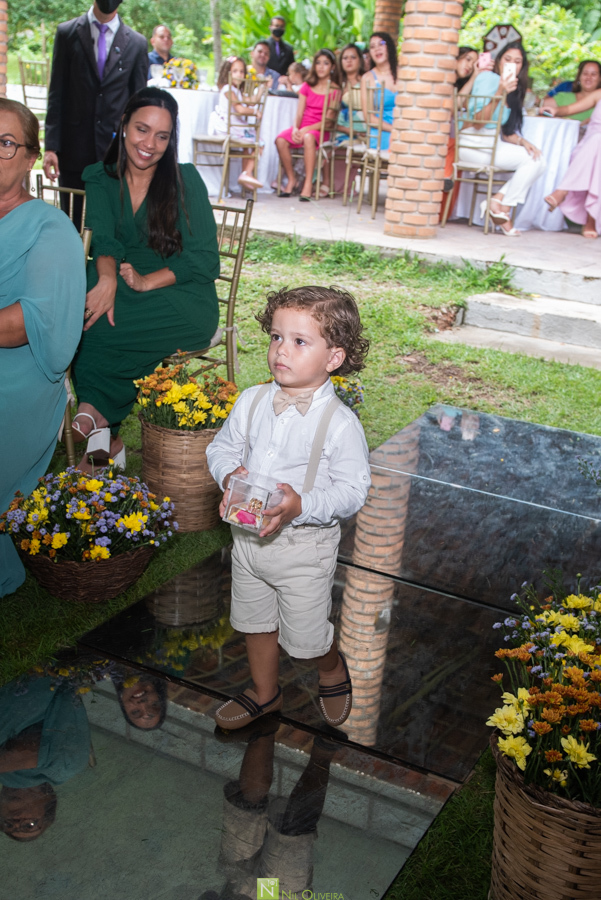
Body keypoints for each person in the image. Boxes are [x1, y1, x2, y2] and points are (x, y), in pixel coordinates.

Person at [206, 286, 371, 731]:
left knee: (304, 638)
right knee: (253, 621)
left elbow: (353, 491)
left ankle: (330, 665)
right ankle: (265, 694)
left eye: (300, 342)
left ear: (333, 358)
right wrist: (228, 474)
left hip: (303, 550)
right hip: (247, 540)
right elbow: (221, 447)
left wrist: (302, 504)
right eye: (276, 337)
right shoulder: (252, 401)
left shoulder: (339, 424)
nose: (282, 350)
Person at [69, 88, 220, 472]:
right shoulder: (102, 178)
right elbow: (103, 237)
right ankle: (104, 442)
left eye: (162, 136)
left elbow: (205, 260)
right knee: (89, 304)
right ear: (123, 124)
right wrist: (107, 280)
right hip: (125, 286)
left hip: (182, 300)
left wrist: (146, 282)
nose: (149, 144)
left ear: (172, 141)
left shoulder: (185, 181)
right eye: (142, 129)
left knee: (95, 325)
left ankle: (95, 415)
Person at [0, 98, 86, 598]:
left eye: (6, 143)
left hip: (22, 374)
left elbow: (29, 322)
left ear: (31, 157)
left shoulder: (48, 228)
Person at [43, 0, 148, 230]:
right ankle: (71, 264)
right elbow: (56, 93)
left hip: (114, 150)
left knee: (109, 221)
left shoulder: (137, 44)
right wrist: (50, 147)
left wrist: (138, 150)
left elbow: (139, 104)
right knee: (70, 220)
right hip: (73, 147)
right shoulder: (67, 33)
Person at [459, 40, 546, 236]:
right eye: (507, 59)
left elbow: (506, 131)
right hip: (472, 144)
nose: (512, 65)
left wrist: (523, 142)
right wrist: (500, 91)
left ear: (522, 66)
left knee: (537, 159)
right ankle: (499, 208)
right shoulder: (487, 79)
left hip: (492, 144)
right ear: (499, 62)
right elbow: (478, 122)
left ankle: (498, 203)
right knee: (532, 161)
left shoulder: (516, 90)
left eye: (517, 61)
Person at [0, 674, 91, 840]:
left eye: (8, 825)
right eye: (30, 825)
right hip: (42, 664)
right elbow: (24, 749)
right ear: (48, 800)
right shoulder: (66, 767)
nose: (16, 821)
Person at [275, 49, 340, 200]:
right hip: (303, 126)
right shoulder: (306, 86)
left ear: (332, 67)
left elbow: (328, 120)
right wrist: (296, 129)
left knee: (309, 137)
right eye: (318, 63)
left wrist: (306, 130)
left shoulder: (335, 90)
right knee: (280, 140)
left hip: (321, 129)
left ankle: (308, 184)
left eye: (326, 63)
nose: (321, 67)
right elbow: (299, 113)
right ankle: (292, 179)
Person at [542, 86, 601, 238]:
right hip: (587, 149)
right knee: (597, 143)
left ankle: (562, 191)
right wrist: (556, 111)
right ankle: (590, 221)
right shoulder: (598, 94)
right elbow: (569, 109)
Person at [208, 57, 265, 191]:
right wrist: (254, 111)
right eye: (235, 71)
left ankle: (246, 173)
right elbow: (240, 109)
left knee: (250, 144)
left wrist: (261, 89)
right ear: (227, 73)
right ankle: (246, 173)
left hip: (234, 127)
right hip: (229, 128)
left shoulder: (235, 90)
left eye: (241, 72)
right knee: (259, 142)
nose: (239, 75)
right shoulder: (228, 89)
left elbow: (251, 101)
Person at [440, 46, 481, 220]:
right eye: (467, 59)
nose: (470, 65)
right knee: (455, 145)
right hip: (442, 136)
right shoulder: (445, 81)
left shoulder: (458, 84)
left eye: (474, 62)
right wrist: (474, 78)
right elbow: (452, 107)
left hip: (452, 134)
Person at [361, 31, 400, 152]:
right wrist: (393, 129)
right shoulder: (368, 78)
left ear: (389, 46)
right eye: (372, 47)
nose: (377, 49)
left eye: (381, 44)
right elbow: (369, 118)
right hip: (381, 131)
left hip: (403, 129)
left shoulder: (404, 73)